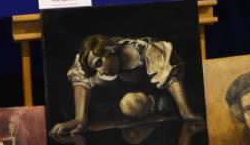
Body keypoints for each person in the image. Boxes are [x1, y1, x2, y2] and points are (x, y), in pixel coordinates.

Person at [50, 33, 204, 136]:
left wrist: (186, 111)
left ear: (111, 51)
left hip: (159, 98)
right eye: (95, 67)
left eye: (99, 64)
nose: (100, 71)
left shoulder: (143, 51)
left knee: (130, 104)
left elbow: (171, 75)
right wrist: (80, 119)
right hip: (130, 102)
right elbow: (79, 73)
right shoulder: (97, 51)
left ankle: (159, 105)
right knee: (131, 135)